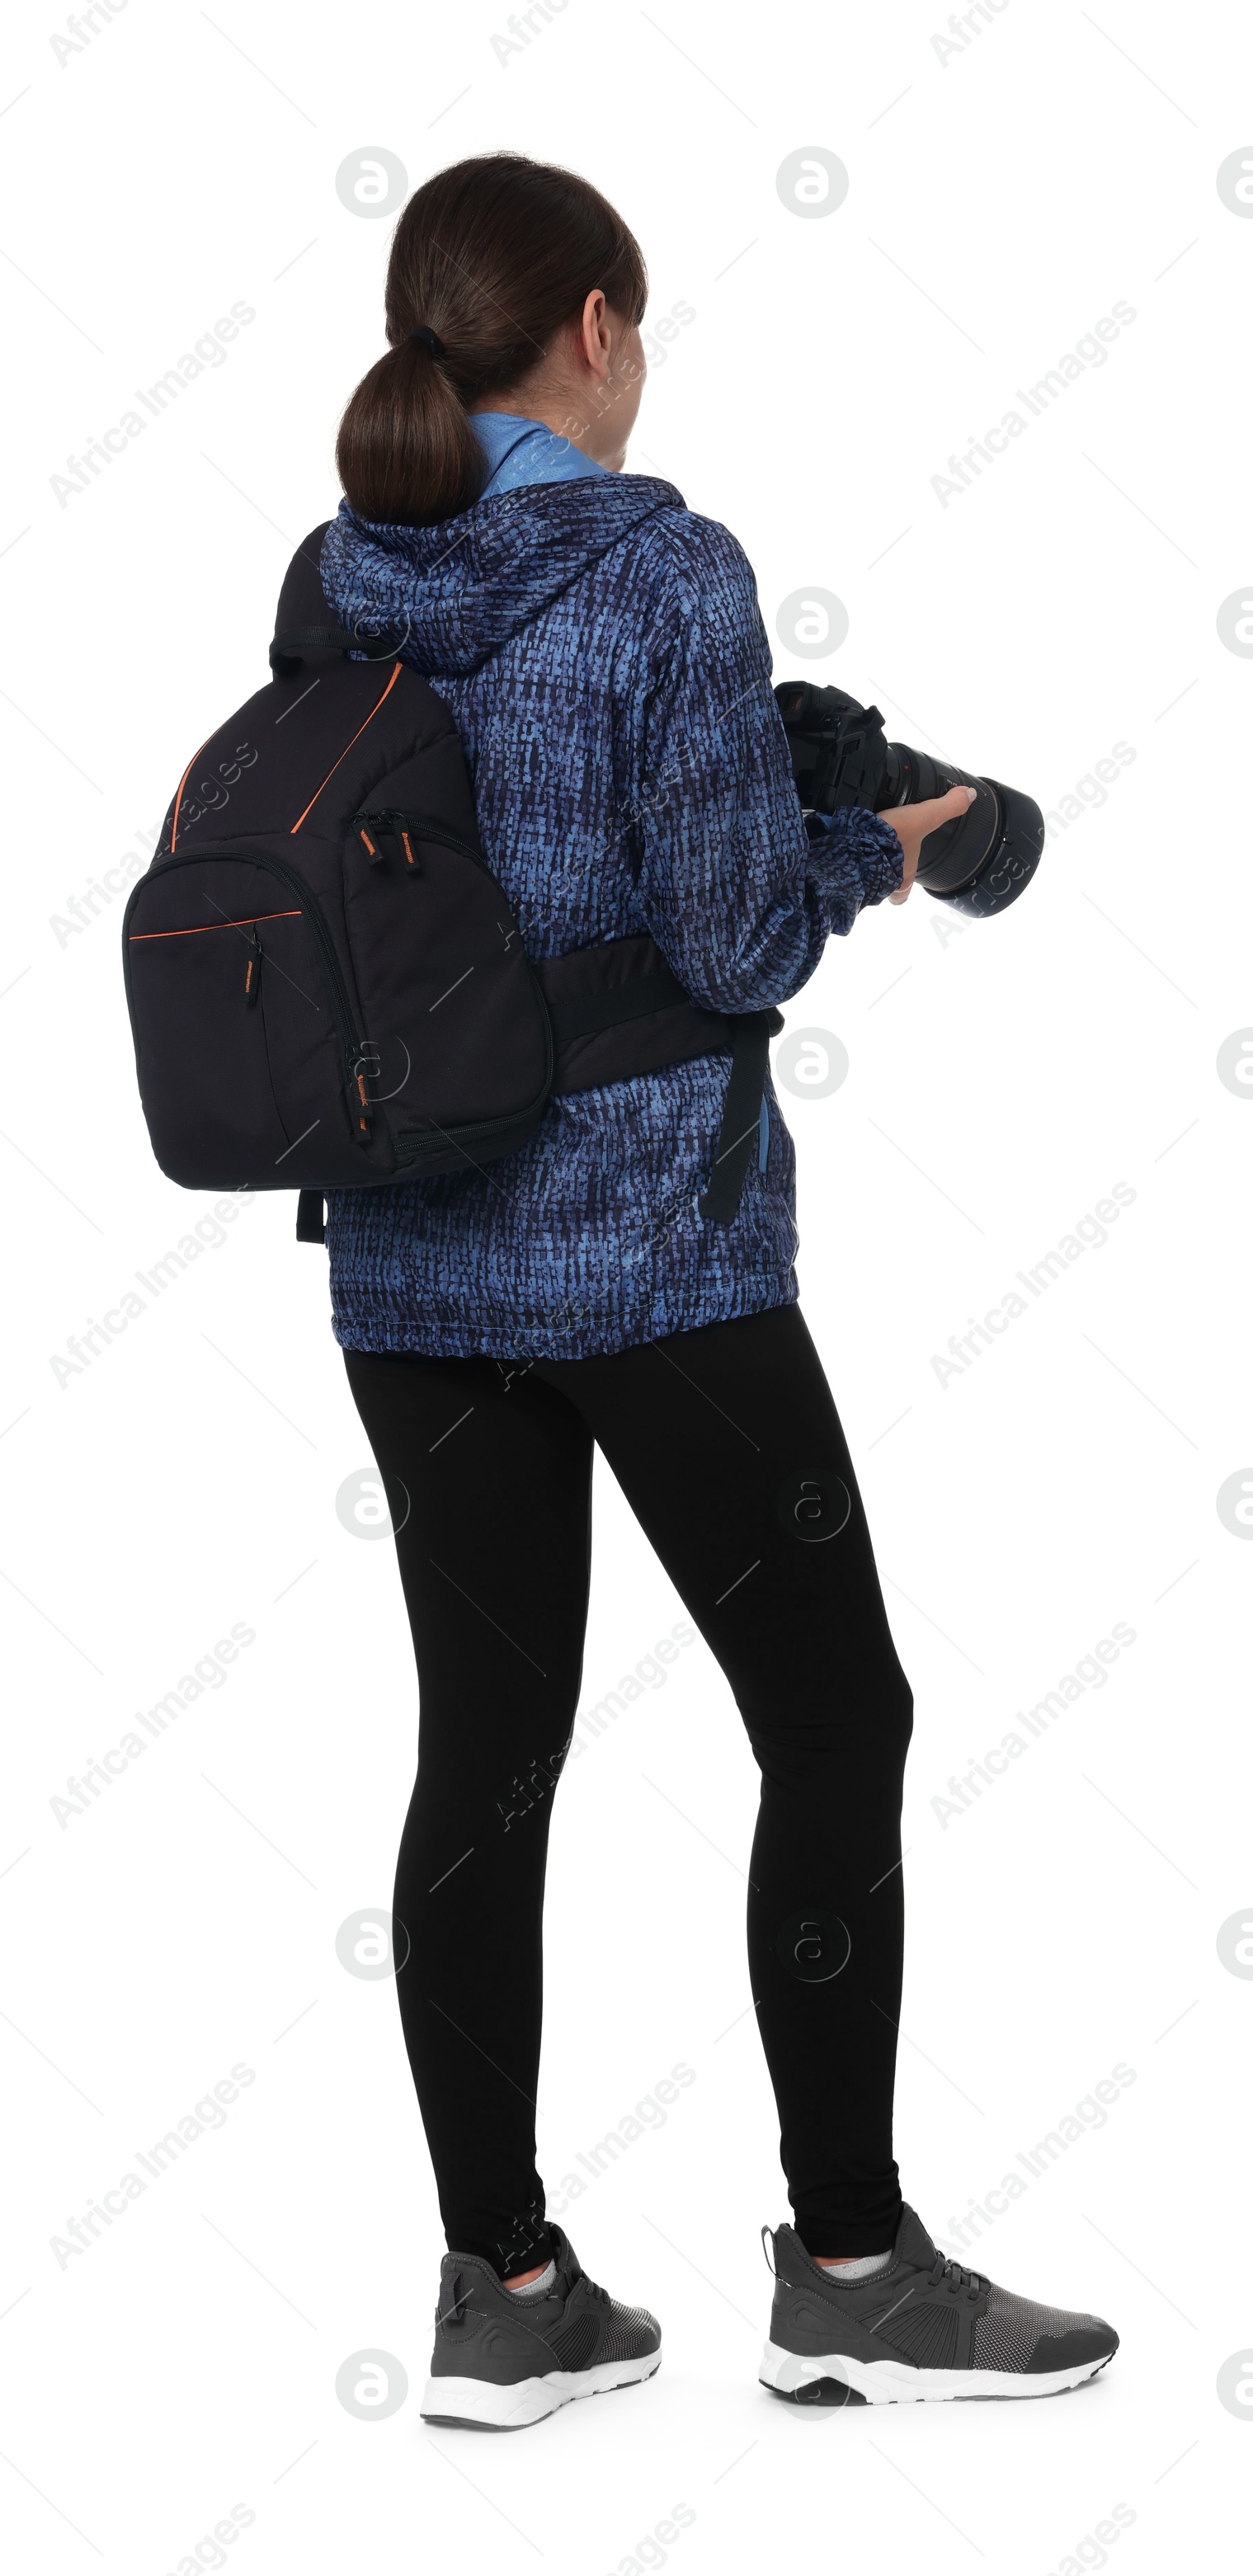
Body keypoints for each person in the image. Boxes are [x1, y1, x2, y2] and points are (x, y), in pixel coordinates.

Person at [321, 152, 1119, 2425]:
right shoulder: (664, 566)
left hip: (409, 1260)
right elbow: (731, 941)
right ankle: (852, 2262)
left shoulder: (343, 563)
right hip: (654, 1252)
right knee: (837, 1717)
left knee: (484, 1762)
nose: (642, 363)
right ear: (588, 327)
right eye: (638, 330)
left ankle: (503, 2287)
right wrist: (897, 840)